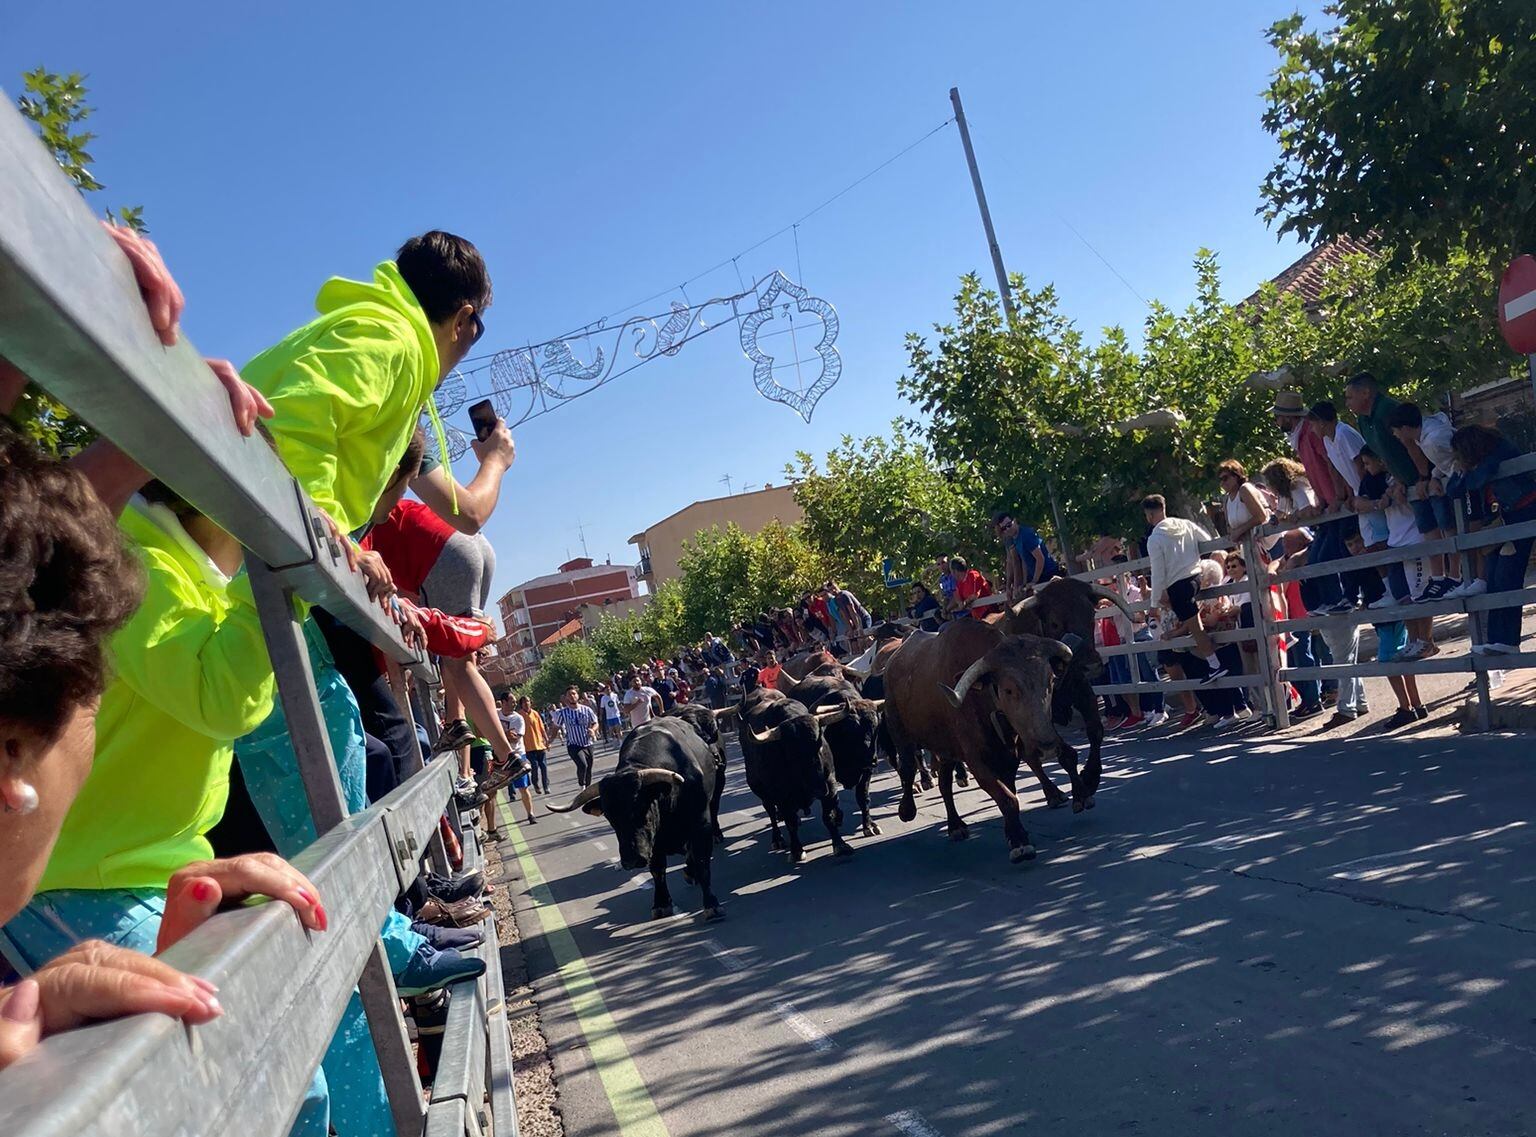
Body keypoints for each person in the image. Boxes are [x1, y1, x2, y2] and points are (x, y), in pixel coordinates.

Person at [0, 428, 324, 1070]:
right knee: (237, 1060)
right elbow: (221, 696)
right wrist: (292, 576)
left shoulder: (179, 568)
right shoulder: (142, 560)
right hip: (86, 882)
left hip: (147, 868)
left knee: (261, 1051)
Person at [1449, 424, 1536, 656]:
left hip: (1521, 514)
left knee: (1508, 577)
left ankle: (1508, 640)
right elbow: (1454, 490)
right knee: (1495, 578)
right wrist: (1460, 472)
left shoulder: (1499, 452)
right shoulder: (1482, 461)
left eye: (1459, 455)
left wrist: (1465, 472)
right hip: (1504, 521)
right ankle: (1497, 640)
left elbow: (1478, 480)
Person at [1143, 495, 1225, 682]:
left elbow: (1157, 574)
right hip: (1196, 577)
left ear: (1148, 515)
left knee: (1196, 629)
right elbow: (1206, 540)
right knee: (1192, 623)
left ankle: (1214, 664)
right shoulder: (1185, 524)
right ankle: (1210, 661)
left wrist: (1153, 604)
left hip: (1178, 585)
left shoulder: (1154, 539)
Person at [1387, 401, 1461, 597]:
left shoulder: (1433, 440)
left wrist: (1448, 480)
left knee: (1454, 528)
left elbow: (1459, 461)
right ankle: (1449, 577)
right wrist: (1435, 476)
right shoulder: (1424, 438)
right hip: (1448, 480)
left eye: (1396, 431)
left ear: (1404, 429)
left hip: (1463, 484)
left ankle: (1456, 576)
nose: (1395, 436)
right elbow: (1444, 464)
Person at [550, 687, 600, 788]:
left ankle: (587, 789)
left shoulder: (586, 710)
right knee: (583, 765)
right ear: (566, 698)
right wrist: (550, 740)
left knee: (589, 768)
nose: (572, 696)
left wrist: (593, 730)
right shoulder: (562, 713)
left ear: (578, 695)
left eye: (574, 694)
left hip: (588, 743)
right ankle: (582, 785)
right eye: (569, 695)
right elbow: (556, 727)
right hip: (573, 745)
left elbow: (595, 723)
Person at [1217, 460, 1271, 545]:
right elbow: (1229, 528)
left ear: (1236, 476)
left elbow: (1261, 517)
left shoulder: (1245, 489)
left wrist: (1239, 531)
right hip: (1252, 546)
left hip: (1270, 541)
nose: (1222, 483)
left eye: (1225, 478)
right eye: (1220, 480)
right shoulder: (1226, 500)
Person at [518, 696, 551, 796]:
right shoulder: (519, 715)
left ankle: (546, 786)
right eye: (524, 702)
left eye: (527, 701)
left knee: (544, 767)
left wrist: (547, 741)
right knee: (535, 766)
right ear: (521, 704)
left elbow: (542, 728)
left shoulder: (535, 714)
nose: (526, 704)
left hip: (540, 745)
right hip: (528, 747)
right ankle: (536, 784)